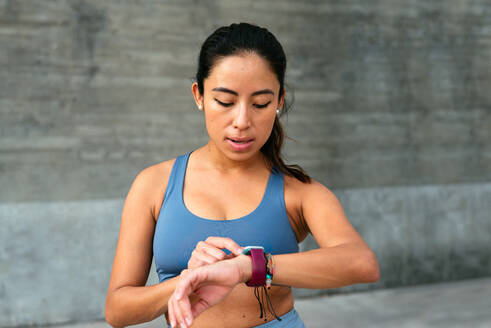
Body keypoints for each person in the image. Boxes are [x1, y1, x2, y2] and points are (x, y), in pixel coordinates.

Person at [105, 22, 380, 328]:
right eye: (225, 101)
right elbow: (118, 310)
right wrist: (190, 282)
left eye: (260, 103)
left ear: (278, 100)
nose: (242, 121)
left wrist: (248, 268)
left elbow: (361, 263)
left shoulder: (299, 192)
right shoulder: (154, 184)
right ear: (199, 95)